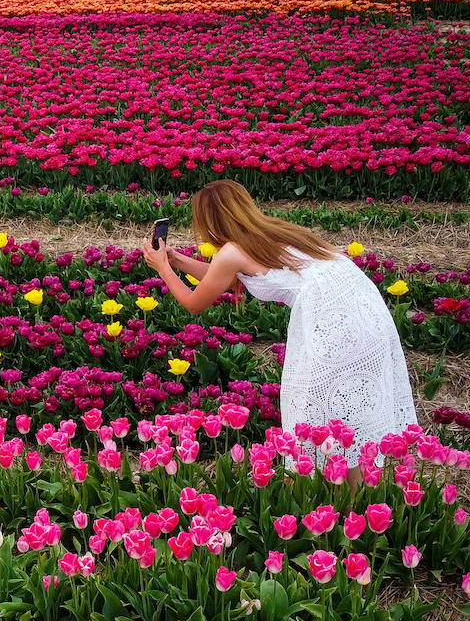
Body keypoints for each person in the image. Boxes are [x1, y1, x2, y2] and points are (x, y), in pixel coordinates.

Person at [143, 179, 416, 462]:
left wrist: (161, 268)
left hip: (332, 316)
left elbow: (193, 303)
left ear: (209, 222)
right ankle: (355, 487)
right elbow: (224, 276)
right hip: (363, 307)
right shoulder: (270, 231)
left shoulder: (233, 251)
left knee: (310, 404)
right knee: (343, 417)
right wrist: (175, 260)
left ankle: (325, 482)